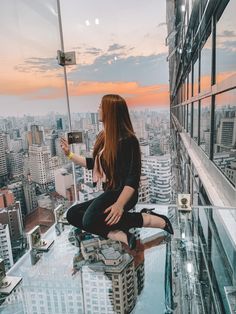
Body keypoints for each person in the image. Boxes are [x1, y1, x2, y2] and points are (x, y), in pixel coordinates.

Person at [60, 94, 173, 250]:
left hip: (124, 194)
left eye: (101, 106)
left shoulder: (129, 140)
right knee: (72, 214)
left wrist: (119, 205)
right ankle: (121, 235)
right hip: (110, 191)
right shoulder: (103, 137)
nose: (97, 109)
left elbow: (132, 179)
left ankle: (149, 219)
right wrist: (69, 154)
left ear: (110, 111)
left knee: (89, 221)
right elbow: (94, 164)